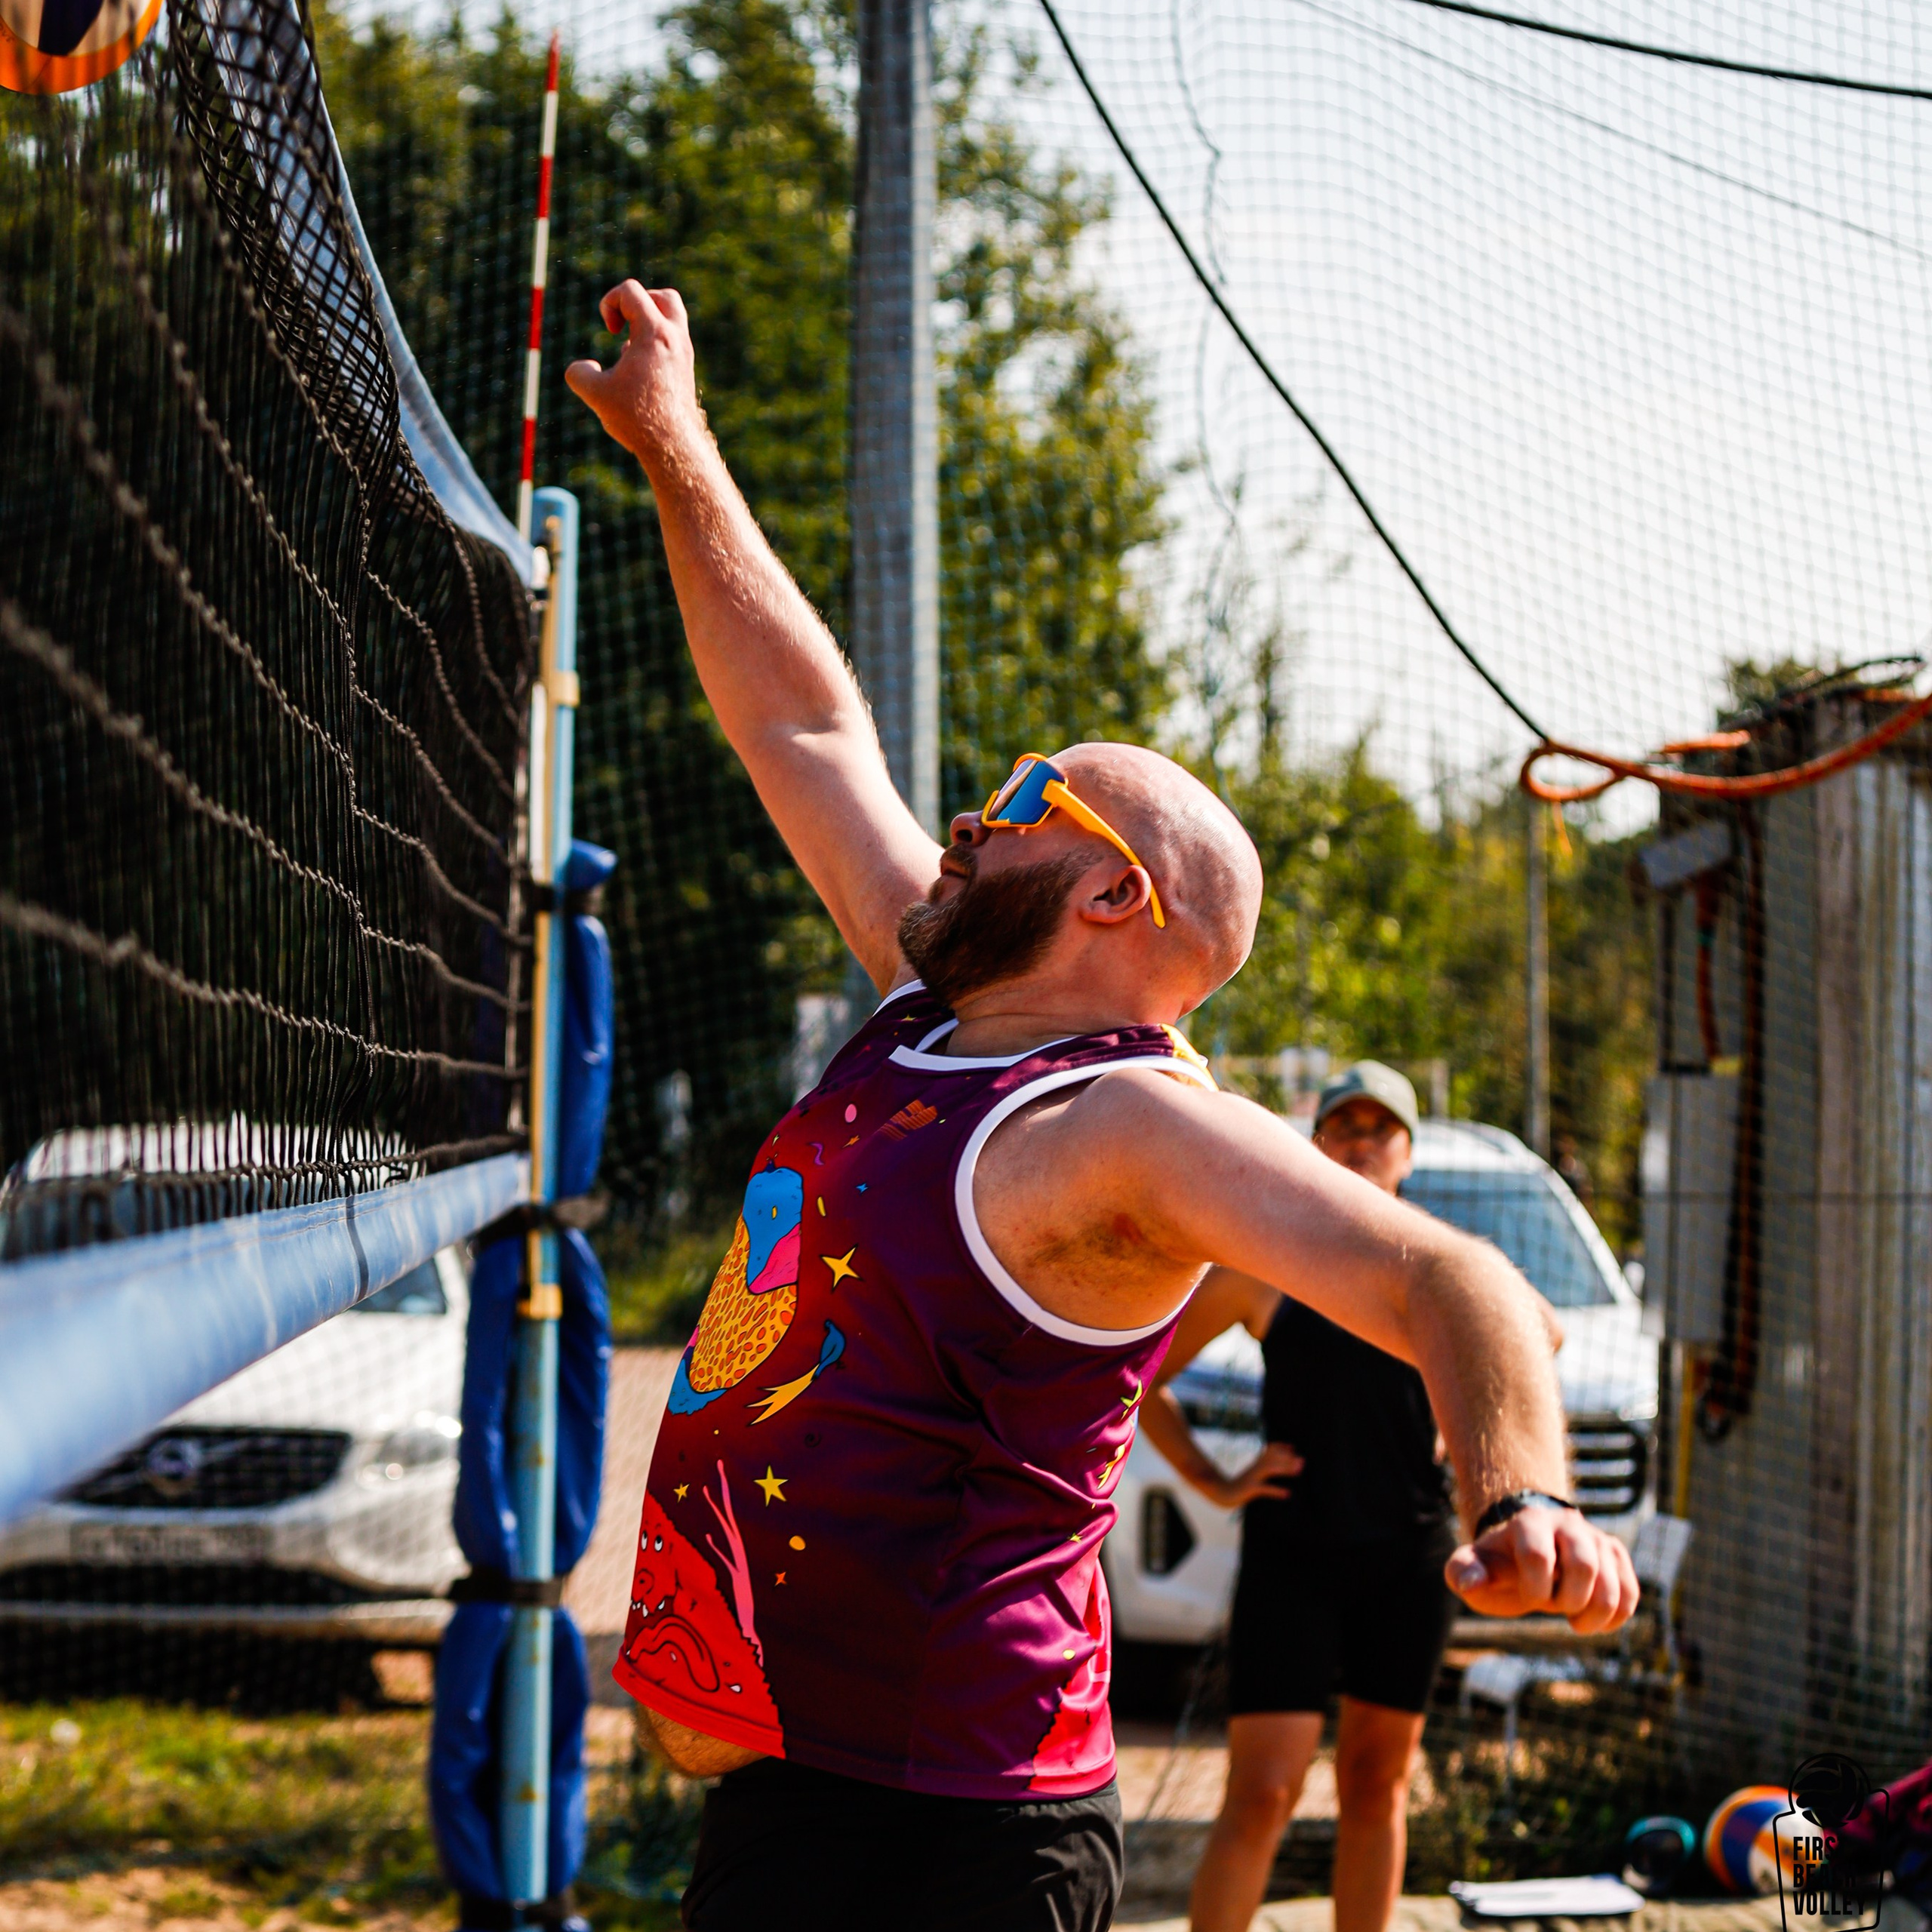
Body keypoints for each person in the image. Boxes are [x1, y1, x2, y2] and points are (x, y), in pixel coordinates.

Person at [565, 282, 1637, 1932]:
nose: (967, 821)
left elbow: (1451, 1279)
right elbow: (798, 720)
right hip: (804, 1777)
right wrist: (675, 444)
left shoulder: (1122, 1125)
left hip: (958, 1824)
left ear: (1111, 891)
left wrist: (1524, 1498)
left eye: (1014, 804)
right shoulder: (932, 1008)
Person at [1143, 1063, 1561, 1932]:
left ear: (1408, 1152)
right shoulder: (1266, 1266)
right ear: (1319, 1142)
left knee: (1378, 1786)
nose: (1362, 1141)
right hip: (1292, 1556)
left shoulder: (1444, 1270)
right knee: (1262, 1793)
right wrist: (1212, 1479)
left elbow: (1540, 1332)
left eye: (1382, 1129)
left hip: (1406, 1556)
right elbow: (1136, 1376)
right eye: (1345, 1126)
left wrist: (1470, 1423)